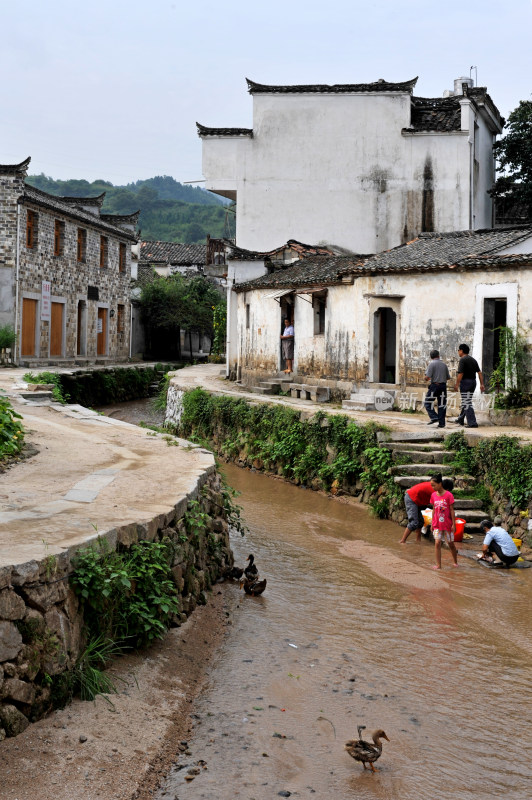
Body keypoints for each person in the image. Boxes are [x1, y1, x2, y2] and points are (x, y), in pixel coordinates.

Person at [399, 478, 454, 544]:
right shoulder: (436, 491)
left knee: (420, 521)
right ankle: (402, 541)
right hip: (411, 498)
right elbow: (438, 508)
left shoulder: (436, 487)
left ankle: (418, 541)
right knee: (414, 522)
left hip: (417, 499)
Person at [452, 343, 485, 428]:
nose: (458, 352)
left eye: (458, 350)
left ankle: (472, 423)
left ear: (461, 351)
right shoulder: (473, 360)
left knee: (466, 402)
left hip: (465, 382)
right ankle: (461, 419)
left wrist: (457, 384)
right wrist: (482, 384)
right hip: (473, 382)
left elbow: (461, 373)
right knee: (466, 400)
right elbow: (479, 372)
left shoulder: (463, 360)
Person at [430, 472, 458, 570]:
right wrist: (432, 523)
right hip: (437, 523)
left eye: (434, 485)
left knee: (450, 544)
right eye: (431, 485)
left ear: (440, 484)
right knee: (437, 543)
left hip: (447, 524)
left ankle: (455, 561)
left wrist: (454, 524)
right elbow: (434, 509)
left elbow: (451, 510)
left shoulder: (449, 495)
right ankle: (438, 565)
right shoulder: (433, 495)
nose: (432, 487)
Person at [424, 349, 450, 428]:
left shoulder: (431, 364)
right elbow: (448, 377)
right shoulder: (444, 365)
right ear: (438, 356)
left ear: (431, 357)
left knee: (427, 403)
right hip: (443, 386)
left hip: (435, 386)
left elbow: (427, 377)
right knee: (442, 404)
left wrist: (425, 378)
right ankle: (442, 423)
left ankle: (434, 417)